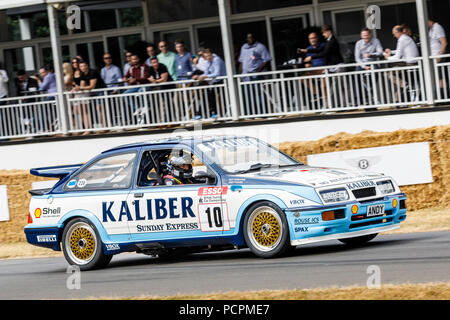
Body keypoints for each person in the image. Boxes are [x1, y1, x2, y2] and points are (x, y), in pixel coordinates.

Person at [384, 25, 420, 102]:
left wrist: (388, 58)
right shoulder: (405, 38)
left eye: (394, 34)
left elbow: (397, 57)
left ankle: (404, 85)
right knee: (395, 79)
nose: (394, 36)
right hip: (409, 63)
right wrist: (390, 52)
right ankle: (397, 100)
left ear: (398, 32)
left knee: (387, 73)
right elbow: (399, 52)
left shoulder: (402, 39)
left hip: (410, 65)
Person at [192, 49, 226, 120]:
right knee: (208, 96)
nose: (209, 57)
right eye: (206, 56)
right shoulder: (208, 62)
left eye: (209, 55)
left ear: (211, 54)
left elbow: (217, 73)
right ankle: (206, 114)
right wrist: (198, 76)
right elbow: (206, 73)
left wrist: (205, 77)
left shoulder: (216, 59)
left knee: (211, 97)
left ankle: (211, 113)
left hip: (222, 81)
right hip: (215, 82)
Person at [76, 60, 107, 132]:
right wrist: (77, 89)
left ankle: (104, 127)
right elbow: (82, 85)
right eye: (81, 66)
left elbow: (92, 86)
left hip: (100, 91)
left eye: (84, 66)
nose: (83, 68)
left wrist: (80, 88)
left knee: (100, 108)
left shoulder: (93, 72)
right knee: (93, 109)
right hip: (93, 93)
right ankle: (90, 128)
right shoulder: (82, 74)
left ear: (87, 65)